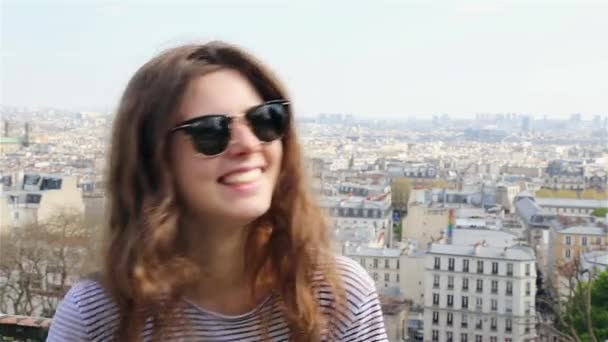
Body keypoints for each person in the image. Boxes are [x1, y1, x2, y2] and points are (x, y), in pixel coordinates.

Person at [46, 41, 388, 342]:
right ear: (154, 159)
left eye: (264, 120)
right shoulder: (99, 317)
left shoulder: (337, 296)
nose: (248, 144)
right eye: (211, 131)